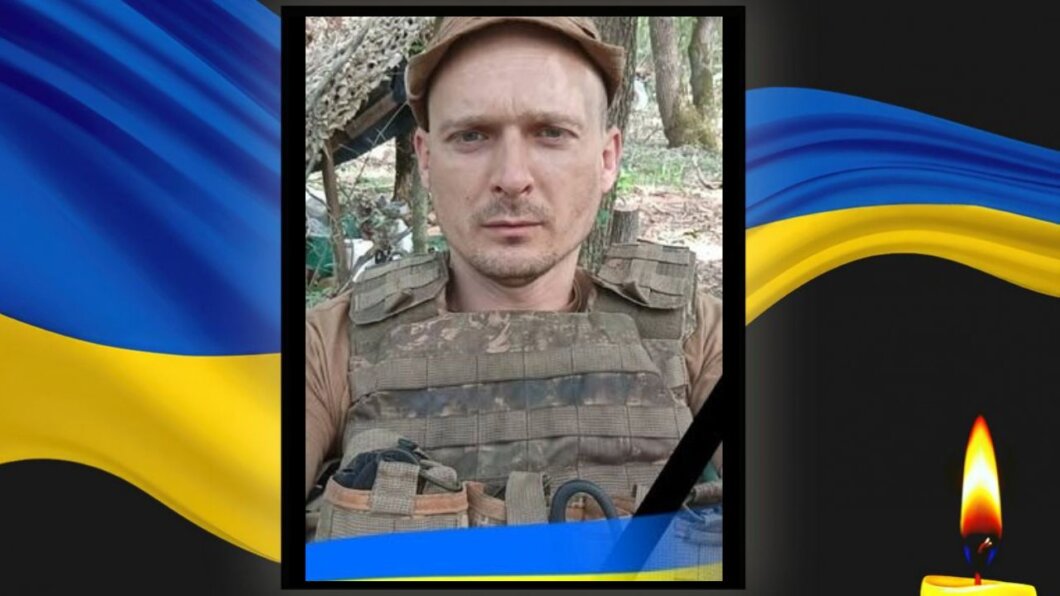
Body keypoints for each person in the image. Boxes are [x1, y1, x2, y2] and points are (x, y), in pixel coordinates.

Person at [305, 16, 722, 538]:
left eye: (551, 133)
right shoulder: (330, 347)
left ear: (607, 158)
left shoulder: (696, 335)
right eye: (471, 136)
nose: (511, 178)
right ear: (426, 159)